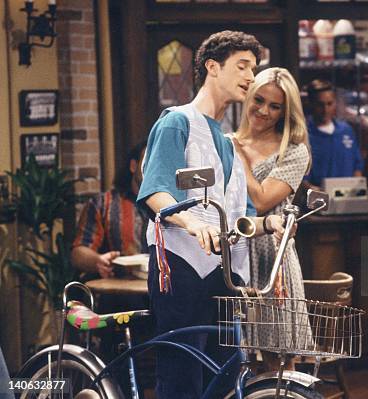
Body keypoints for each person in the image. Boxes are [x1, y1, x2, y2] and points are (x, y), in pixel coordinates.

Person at [136, 31, 287, 399]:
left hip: (226, 275)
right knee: (182, 373)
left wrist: (268, 224)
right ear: (212, 67)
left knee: (227, 370)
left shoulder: (228, 143)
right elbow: (155, 191)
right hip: (182, 265)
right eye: (242, 66)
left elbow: (241, 216)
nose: (251, 77)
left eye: (254, 68)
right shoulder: (177, 122)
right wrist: (192, 223)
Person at [232, 67, 311, 371]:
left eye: (275, 106)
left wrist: (238, 157)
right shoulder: (225, 142)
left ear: (285, 112)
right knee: (241, 361)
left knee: (281, 362)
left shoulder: (293, 151)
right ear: (248, 97)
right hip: (235, 254)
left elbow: (262, 199)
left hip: (273, 261)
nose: (263, 111)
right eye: (259, 100)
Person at [72, 142, 148, 278]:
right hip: (122, 293)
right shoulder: (103, 203)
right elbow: (78, 253)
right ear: (133, 166)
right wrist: (98, 261)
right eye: (147, 163)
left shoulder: (175, 206)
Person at [303, 79, 363, 189]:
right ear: (311, 104)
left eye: (329, 104)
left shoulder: (346, 131)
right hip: (317, 200)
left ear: (335, 102)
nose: (325, 110)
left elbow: (357, 166)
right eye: (320, 105)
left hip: (346, 200)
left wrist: (355, 190)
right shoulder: (303, 134)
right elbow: (300, 179)